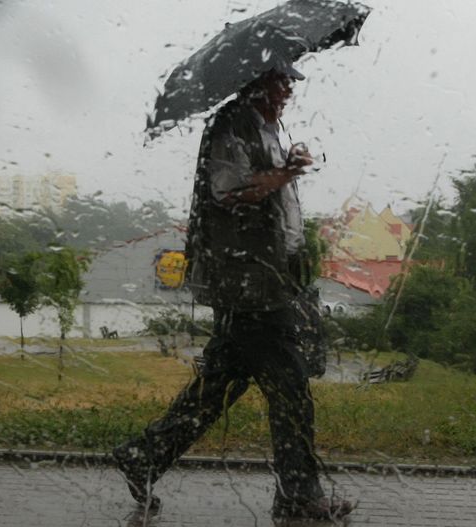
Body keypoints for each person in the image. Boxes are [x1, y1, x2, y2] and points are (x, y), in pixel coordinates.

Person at [112, 64, 353, 521]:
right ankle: (298, 497)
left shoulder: (263, 129)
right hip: (247, 284)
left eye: (289, 84)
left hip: (265, 277)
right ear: (258, 83)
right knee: (290, 389)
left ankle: (145, 456)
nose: (288, 92)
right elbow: (230, 192)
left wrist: (287, 167)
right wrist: (285, 173)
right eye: (282, 83)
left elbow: (274, 199)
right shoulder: (230, 126)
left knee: (220, 384)